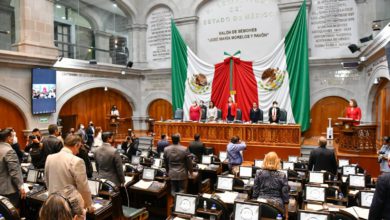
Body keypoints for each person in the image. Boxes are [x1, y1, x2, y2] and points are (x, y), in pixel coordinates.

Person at [44, 134, 94, 212]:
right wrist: (89, 205)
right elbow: (83, 187)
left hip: (52, 203)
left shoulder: (49, 157)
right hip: (70, 206)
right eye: (79, 147)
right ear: (76, 145)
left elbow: (46, 180)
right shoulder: (77, 161)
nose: (78, 152)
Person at [252, 152, 289, 218]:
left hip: (261, 203)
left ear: (265, 160)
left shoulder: (259, 173)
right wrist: (286, 214)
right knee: (278, 216)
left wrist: (254, 206)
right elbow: (285, 196)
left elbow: (255, 192)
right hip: (277, 207)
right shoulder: (282, 175)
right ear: (277, 161)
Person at [0, 128, 26, 208]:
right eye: (13, 136)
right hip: (9, 190)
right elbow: (14, 172)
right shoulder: (9, 151)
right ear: (8, 138)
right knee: (12, 213)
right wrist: (21, 187)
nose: (14, 138)